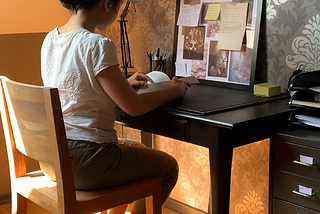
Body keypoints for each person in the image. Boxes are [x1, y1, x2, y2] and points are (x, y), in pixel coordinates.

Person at [40, 0, 191, 213]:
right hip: (86, 161)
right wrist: (176, 89)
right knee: (168, 167)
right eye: (118, 8)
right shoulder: (97, 44)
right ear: (107, 4)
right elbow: (134, 106)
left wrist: (123, 84)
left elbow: (75, 88)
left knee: (137, 149)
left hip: (52, 158)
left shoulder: (51, 39)